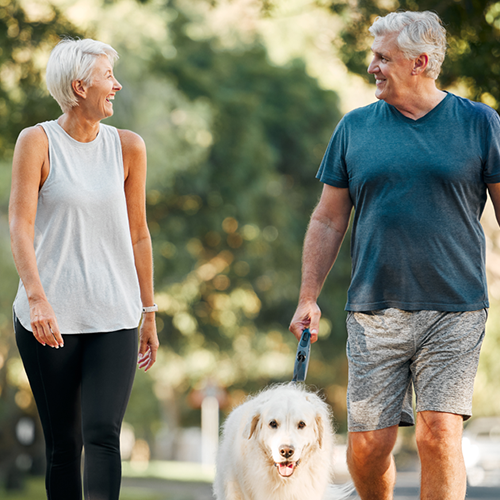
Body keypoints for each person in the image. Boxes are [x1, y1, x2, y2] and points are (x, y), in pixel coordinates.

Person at [289, 11, 500, 500]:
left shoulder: (479, 123)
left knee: (439, 433)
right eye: (374, 56)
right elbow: (327, 219)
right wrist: (308, 297)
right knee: (367, 448)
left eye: (383, 58)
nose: (372, 67)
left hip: (456, 307)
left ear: (421, 63)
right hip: (372, 309)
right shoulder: (355, 128)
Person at [9, 38, 159, 500]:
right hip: (48, 320)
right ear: (79, 86)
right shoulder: (37, 141)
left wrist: (149, 311)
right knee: (63, 444)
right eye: (107, 77)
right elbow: (20, 224)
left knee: (102, 434)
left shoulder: (128, 147)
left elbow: (139, 234)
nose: (116, 85)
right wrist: (36, 299)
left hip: (114, 316)